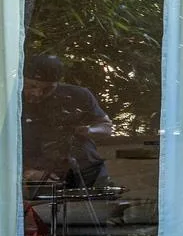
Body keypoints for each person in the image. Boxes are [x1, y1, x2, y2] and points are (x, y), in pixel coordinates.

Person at [21, 54, 114, 188]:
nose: (37, 93)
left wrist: (89, 130)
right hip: (40, 178)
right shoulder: (13, 103)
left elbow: (106, 127)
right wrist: (27, 172)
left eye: (47, 89)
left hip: (87, 172)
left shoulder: (79, 95)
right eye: (31, 86)